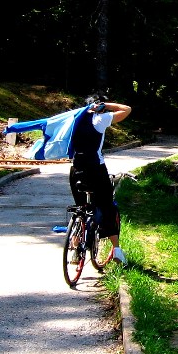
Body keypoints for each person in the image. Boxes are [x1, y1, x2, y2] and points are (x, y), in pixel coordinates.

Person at [68, 96, 132, 265]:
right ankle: (117, 250)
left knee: (81, 208)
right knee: (107, 206)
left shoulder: (73, 121)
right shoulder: (100, 119)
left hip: (76, 169)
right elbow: (127, 109)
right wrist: (107, 105)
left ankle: (75, 250)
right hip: (95, 170)